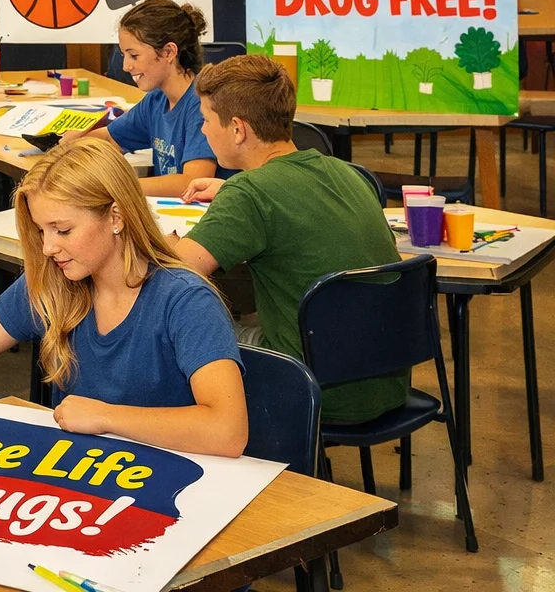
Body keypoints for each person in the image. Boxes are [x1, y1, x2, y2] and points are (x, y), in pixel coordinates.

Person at [0, 139, 248, 458]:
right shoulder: (55, 283)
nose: (48, 248)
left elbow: (228, 431)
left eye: (63, 230)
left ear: (116, 217)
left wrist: (106, 417)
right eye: (42, 231)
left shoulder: (186, 301)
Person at [172, 54, 409, 423]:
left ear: (237, 129)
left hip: (310, 388)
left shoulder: (250, 195)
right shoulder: (347, 173)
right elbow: (290, 203)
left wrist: (155, 238)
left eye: (206, 120)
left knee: (182, 329)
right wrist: (233, 191)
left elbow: (174, 273)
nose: (202, 131)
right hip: (384, 381)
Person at [66, 0, 223, 195]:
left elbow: (193, 182)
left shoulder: (202, 105)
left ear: (168, 52)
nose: (126, 67)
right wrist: (71, 144)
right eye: (124, 55)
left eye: (134, 56)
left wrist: (117, 189)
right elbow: (109, 138)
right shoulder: (156, 100)